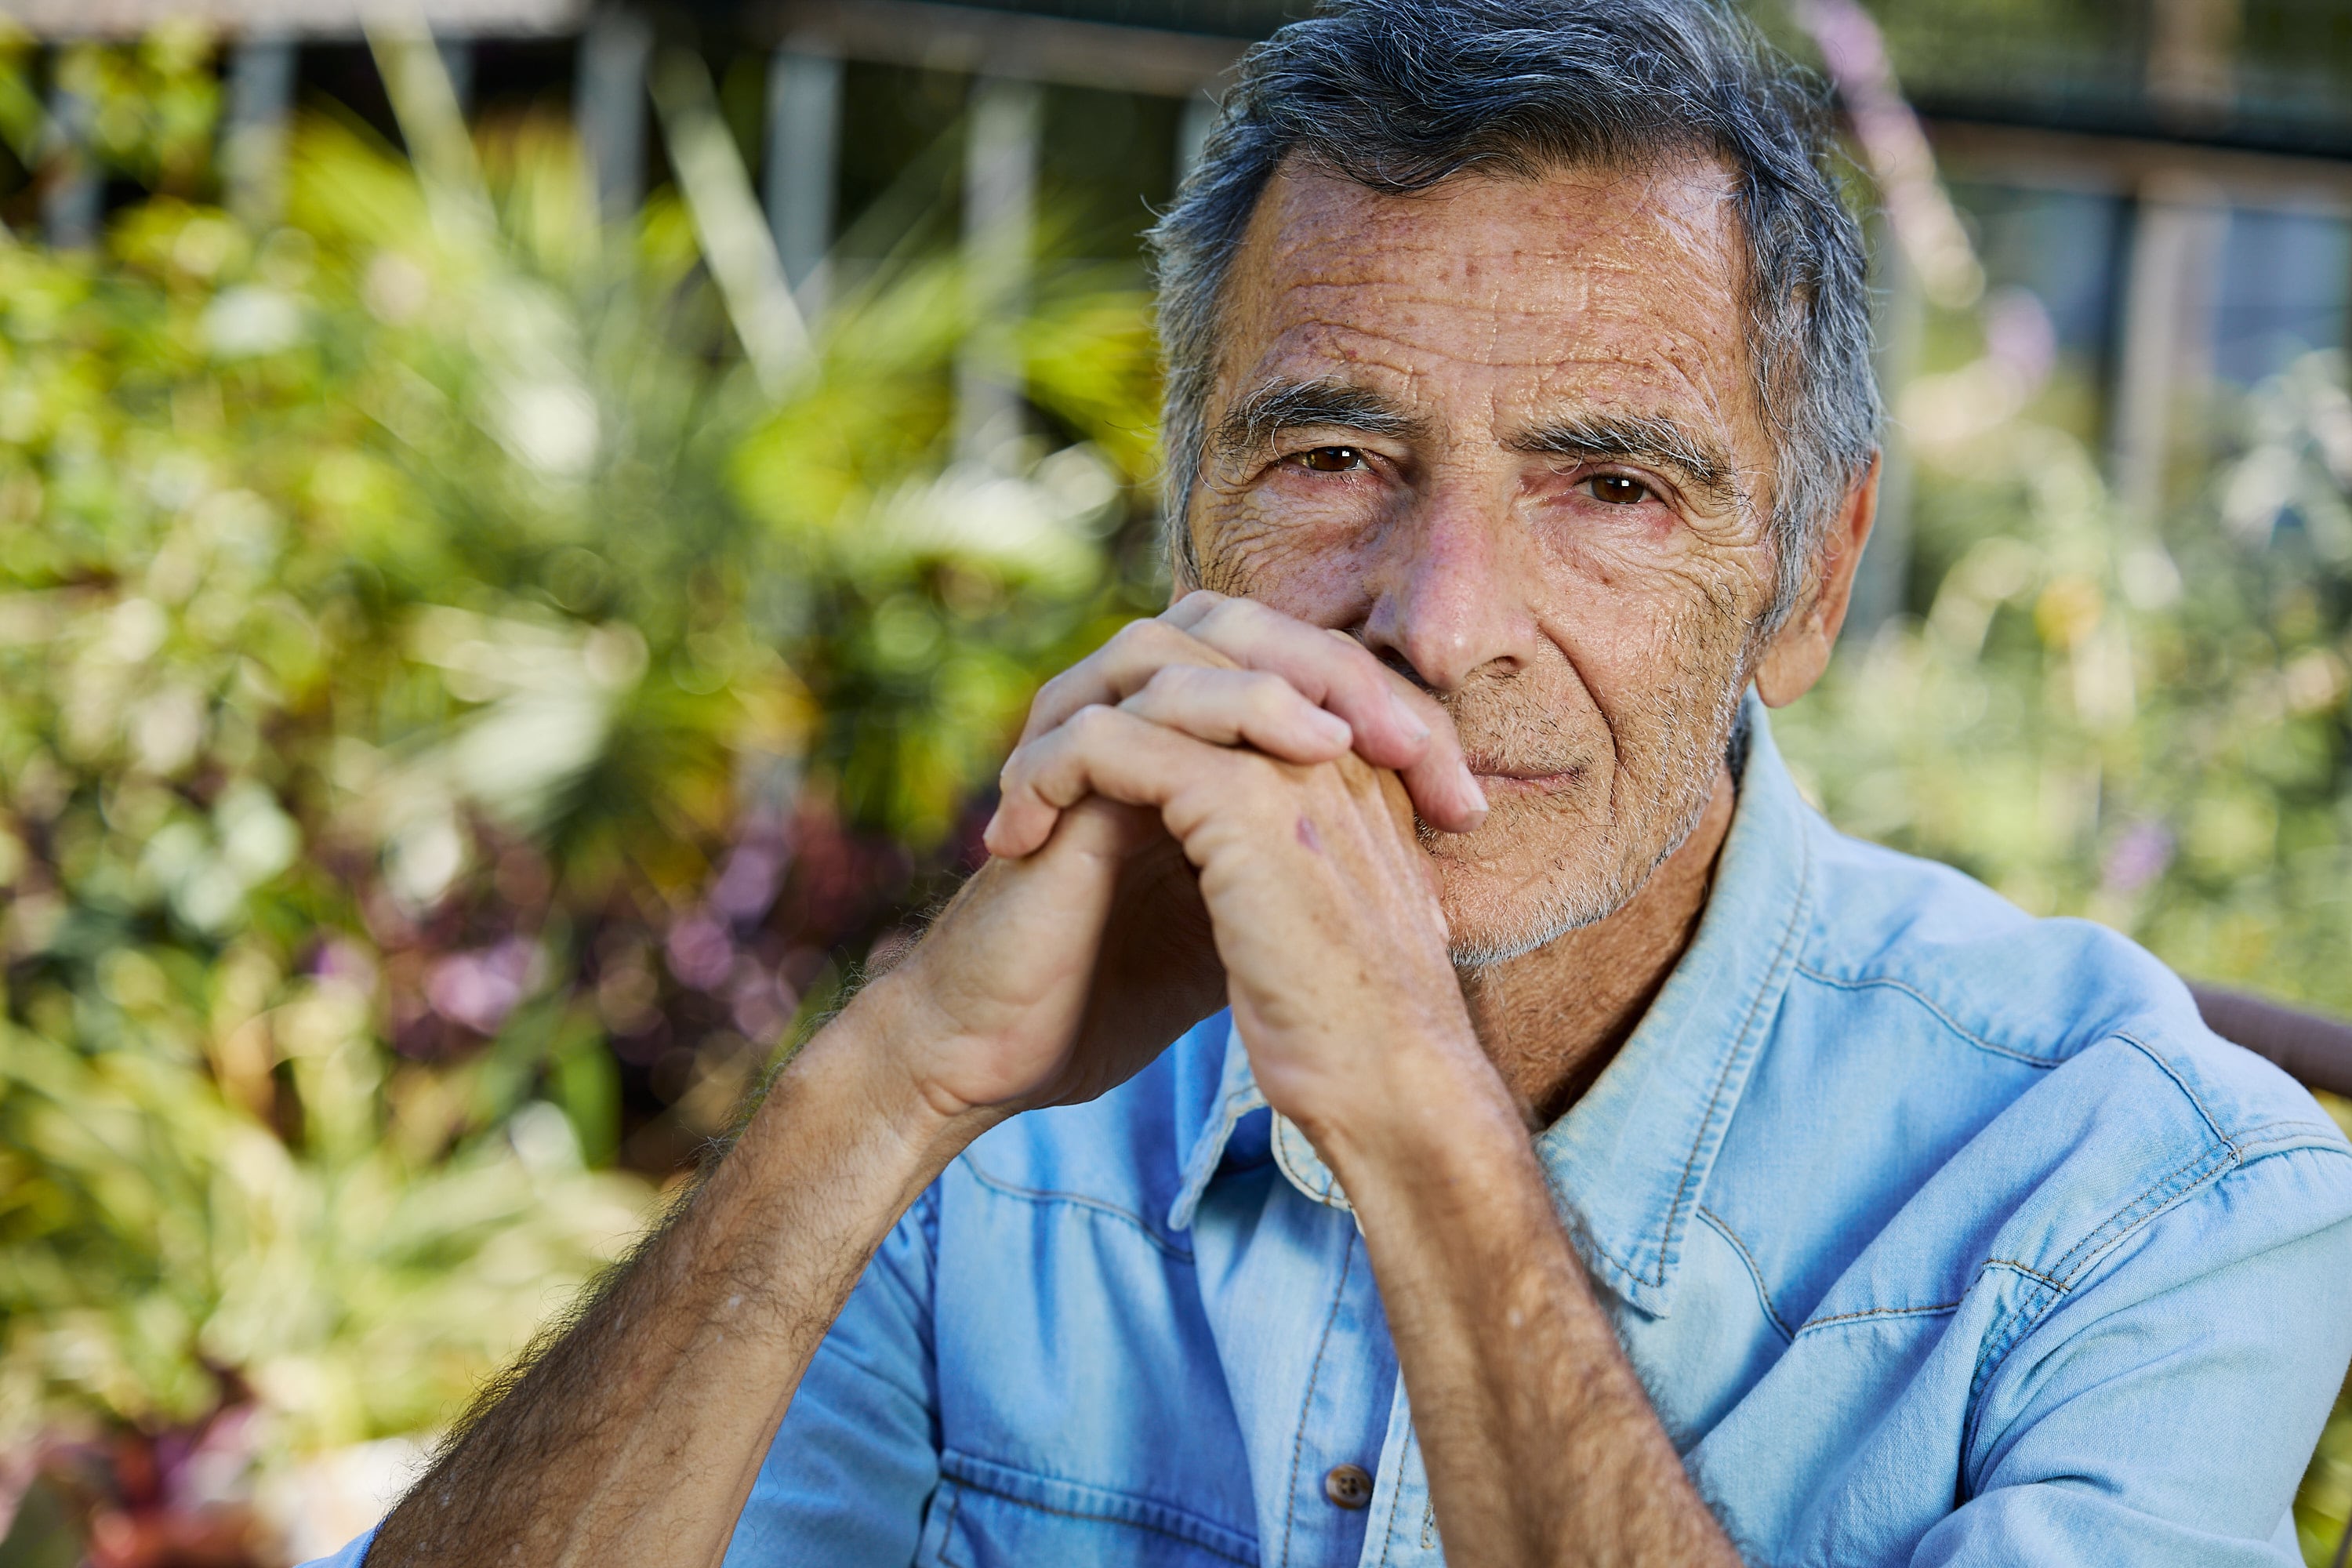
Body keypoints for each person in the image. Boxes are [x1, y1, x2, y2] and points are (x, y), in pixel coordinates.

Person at [314, 1, 2352, 1563]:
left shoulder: (2153, 1205)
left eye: (1611, 486)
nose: (1444, 623)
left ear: (1807, 584)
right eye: (1334, 459)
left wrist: (1418, 1120)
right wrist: (886, 1083)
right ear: (1191, 516)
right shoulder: (985, 1129)